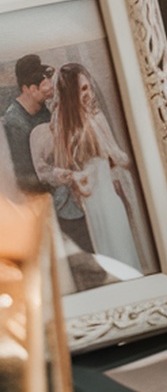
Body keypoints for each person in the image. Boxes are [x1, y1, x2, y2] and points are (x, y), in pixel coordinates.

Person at [31, 63, 156, 275]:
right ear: (70, 94)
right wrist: (74, 176)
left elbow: (118, 157)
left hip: (111, 196)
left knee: (124, 248)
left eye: (88, 87)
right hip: (92, 202)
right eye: (82, 89)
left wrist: (120, 158)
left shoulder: (96, 118)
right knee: (108, 253)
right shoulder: (60, 129)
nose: (88, 94)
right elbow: (55, 169)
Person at [2, 53, 91, 252]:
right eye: (39, 86)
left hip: (68, 195)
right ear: (27, 89)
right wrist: (56, 176)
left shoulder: (43, 110)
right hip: (46, 207)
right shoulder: (14, 123)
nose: (47, 89)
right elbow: (24, 177)